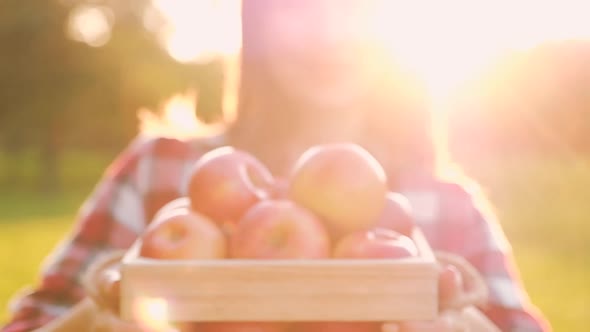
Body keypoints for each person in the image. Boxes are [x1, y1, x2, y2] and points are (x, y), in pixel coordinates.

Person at [2, 0, 551, 331]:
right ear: (256, 18)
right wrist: (95, 322)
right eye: (298, 5)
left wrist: (464, 324)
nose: (330, 34)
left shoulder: (446, 206)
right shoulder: (160, 172)